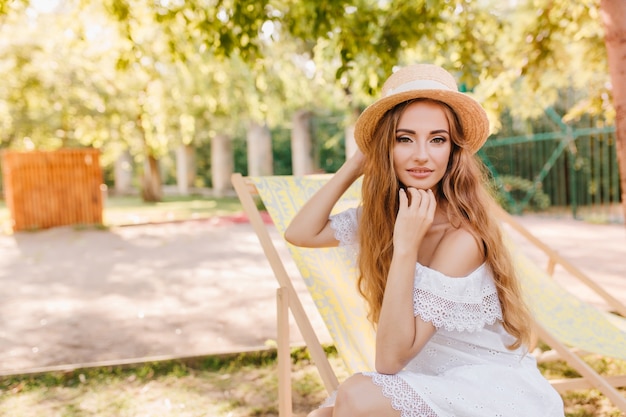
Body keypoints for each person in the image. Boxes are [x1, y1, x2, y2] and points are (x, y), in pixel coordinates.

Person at [284, 64, 564, 417]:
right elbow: (300, 233)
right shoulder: (383, 217)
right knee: (322, 414)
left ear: (452, 150)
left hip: (491, 390)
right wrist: (355, 164)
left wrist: (406, 246)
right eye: (404, 138)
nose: (421, 155)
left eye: (437, 139)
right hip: (428, 380)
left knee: (355, 395)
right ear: (385, 148)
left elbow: (387, 361)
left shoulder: (463, 237)